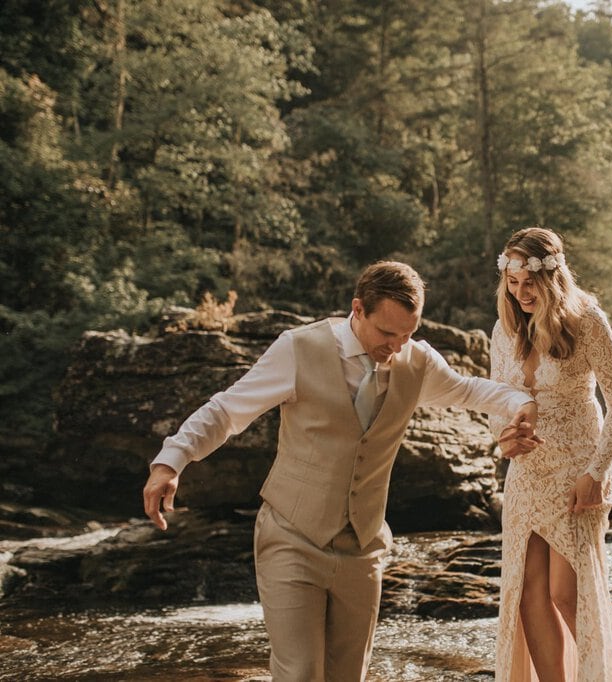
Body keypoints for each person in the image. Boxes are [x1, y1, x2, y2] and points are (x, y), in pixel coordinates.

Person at [142, 261, 541, 682]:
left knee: (350, 675)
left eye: (407, 334)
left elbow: (468, 389)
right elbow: (226, 411)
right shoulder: (298, 349)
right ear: (358, 309)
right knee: (300, 673)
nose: (396, 345)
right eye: (386, 333)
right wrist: (172, 459)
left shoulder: (416, 361)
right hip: (291, 538)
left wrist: (520, 403)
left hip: (362, 549)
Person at [489, 227, 612, 681]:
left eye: (529, 281)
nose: (521, 292)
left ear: (552, 276)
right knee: (528, 595)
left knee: (566, 592)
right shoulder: (504, 327)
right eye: (513, 282)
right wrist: (505, 438)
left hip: (578, 467)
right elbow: (497, 401)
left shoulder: (587, 319)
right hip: (527, 472)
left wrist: (596, 471)